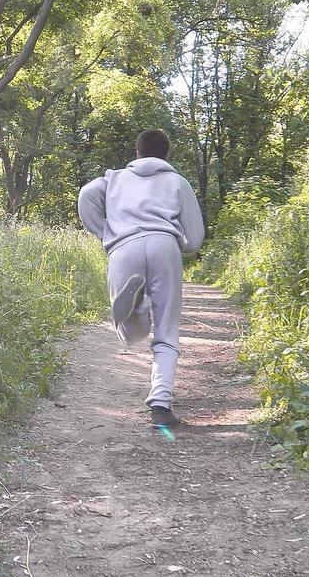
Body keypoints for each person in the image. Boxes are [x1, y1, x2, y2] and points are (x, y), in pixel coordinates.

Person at [77, 128, 204, 428]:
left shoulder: (115, 178)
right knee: (166, 329)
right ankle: (160, 404)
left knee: (130, 334)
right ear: (166, 154)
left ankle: (135, 309)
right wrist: (178, 245)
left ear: (136, 152)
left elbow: (85, 195)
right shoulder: (178, 182)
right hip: (164, 246)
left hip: (124, 248)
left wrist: (106, 233)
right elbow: (196, 239)